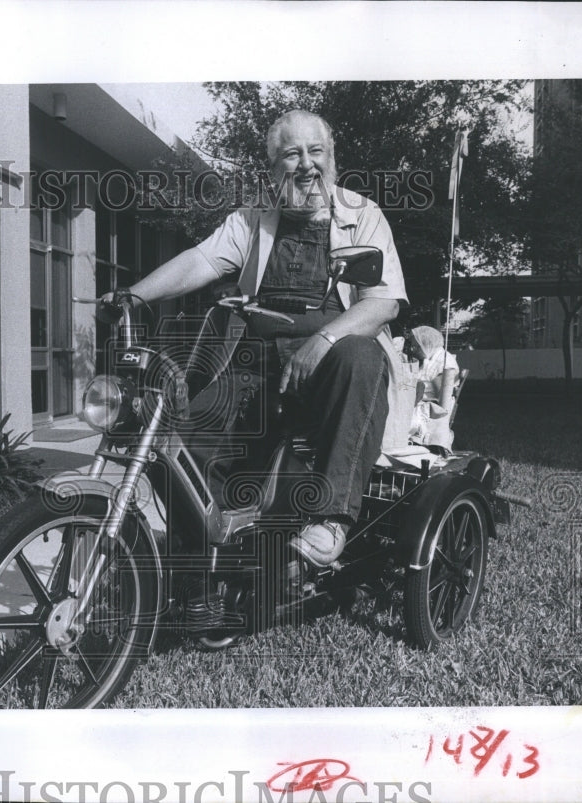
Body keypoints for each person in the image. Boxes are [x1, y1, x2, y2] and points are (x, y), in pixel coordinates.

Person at [99, 109, 408, 569]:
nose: (306, 164)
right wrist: (133, 294)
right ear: (273, 169)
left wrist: (322, 340)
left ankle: (331, 521)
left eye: (315, 151)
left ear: (332, 159)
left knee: (362, 355)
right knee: (179, 439)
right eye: (291, 154)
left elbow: (383, 303)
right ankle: (199, 560)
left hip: (334, 370)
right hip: (256, 368)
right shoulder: (251, 221)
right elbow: (198, 262)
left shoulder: (363, 215)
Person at [405, 325, 459, 448]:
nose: (412, 349)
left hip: (428, 410)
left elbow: (441, 396)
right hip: (419, 404)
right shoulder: (431, 358)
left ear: (426, 344)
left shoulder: (443, 361)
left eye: (416, 346)